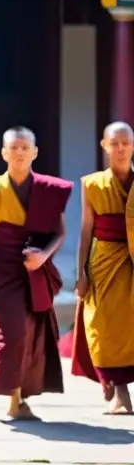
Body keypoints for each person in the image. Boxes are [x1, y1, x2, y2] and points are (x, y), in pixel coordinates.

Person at [0, 126, 72, 421]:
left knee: (31, 333)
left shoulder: (49, 190)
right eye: (13, 148)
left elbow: (60, 232)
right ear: (3, 153)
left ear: (35, 152)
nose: (19, 153)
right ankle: (13, 397)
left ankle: (20, 397)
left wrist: (44, 256)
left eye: (24, 147)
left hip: (36, 270)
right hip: (3, 270)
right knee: (12, 331)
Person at [70, 121, 134, 415]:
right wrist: (81, 272)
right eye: (114, 143)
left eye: (126, 143)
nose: (120, 149)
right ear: (104, 146)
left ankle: (116, 383)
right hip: (105, 259)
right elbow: (86, 229)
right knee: (104, 325)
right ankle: (113, 383)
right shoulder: (92, 183)